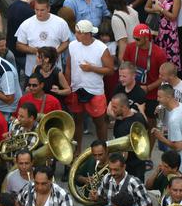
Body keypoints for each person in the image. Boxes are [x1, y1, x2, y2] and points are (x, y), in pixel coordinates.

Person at [65, 19, 113, 150]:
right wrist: (68, 85)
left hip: (95, 90)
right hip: (76, 88)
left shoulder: (101, 48)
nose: (75, 35)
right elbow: (68, 67)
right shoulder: (73, 45)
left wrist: (92, 68)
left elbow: (110, 70)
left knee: (99, 122)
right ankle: (77, 151)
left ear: (87, 34)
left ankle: (104, 150)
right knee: (77, 121)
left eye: (78, 33)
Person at [15, 0, 71, 78]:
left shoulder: (60, 23)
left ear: (48, 9)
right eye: (36, 10)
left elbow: (66, 42)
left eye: (42, 10)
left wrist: (54, 52)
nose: (39, 13)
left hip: (55, 72)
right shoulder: (26, 24)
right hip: (32, 72)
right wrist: (34, 51)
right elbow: (19, 45)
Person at [122, 24, 167, 124]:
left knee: (150, 123)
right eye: (134, 38)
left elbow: (164, 77)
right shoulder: (130, 48)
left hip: (152, 94)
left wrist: (148, 88)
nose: (135, 41)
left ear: (146, 38)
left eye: (138, 39)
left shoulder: (159, 53)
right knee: (131, 120)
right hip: (134, 91)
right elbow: (125, 67)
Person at [109, 93, 148, 181]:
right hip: (140, 164)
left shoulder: (122, 128)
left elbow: (123, 155)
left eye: (115, 107)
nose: (112, 110)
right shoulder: (139, 117)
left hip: (129, 169)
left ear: (124, 107)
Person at [7, 0, 39, 74]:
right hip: (23, 51)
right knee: (30, 75)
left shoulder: (12, 5)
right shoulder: (30, 12)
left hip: (10, 47)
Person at [153, 84, 182, 165]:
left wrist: (161, 138)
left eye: (160, 97)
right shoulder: (179, 105)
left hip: (178, 163)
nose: (157, 99)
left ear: (168, 97)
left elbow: (178, 146)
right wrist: (161, 108)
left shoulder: (174, 120)